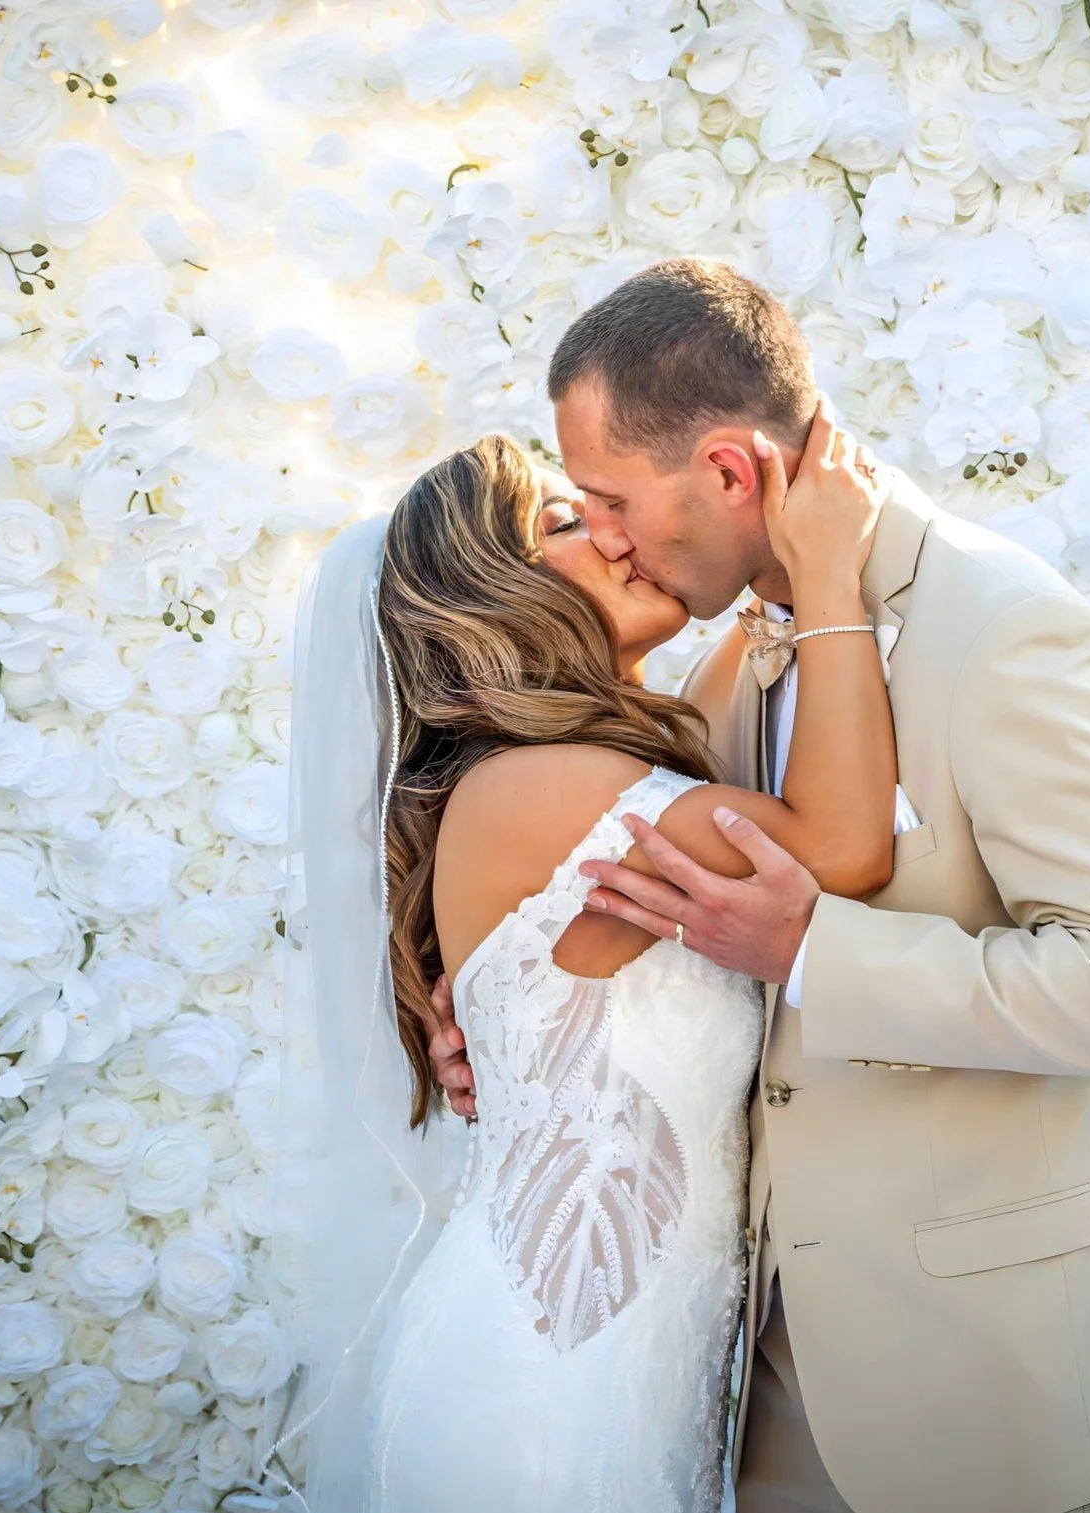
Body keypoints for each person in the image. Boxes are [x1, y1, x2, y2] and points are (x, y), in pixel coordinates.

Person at [427, 259, 1090, 1513]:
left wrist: (816, 951)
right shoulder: (721, 669)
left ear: (724, 470)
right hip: (748, 1372)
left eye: (605, 498)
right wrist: (506, 1013)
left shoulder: (1003, 628)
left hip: (982, 1374)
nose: (597, 534)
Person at [277, 409, 901, 1513]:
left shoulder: (576, 770)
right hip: (538, 1399)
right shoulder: (546, 786)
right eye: (568, 520)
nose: (619, 533)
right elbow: (841, 851)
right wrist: (830, 579)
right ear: (487, 595)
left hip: (624, 1362)